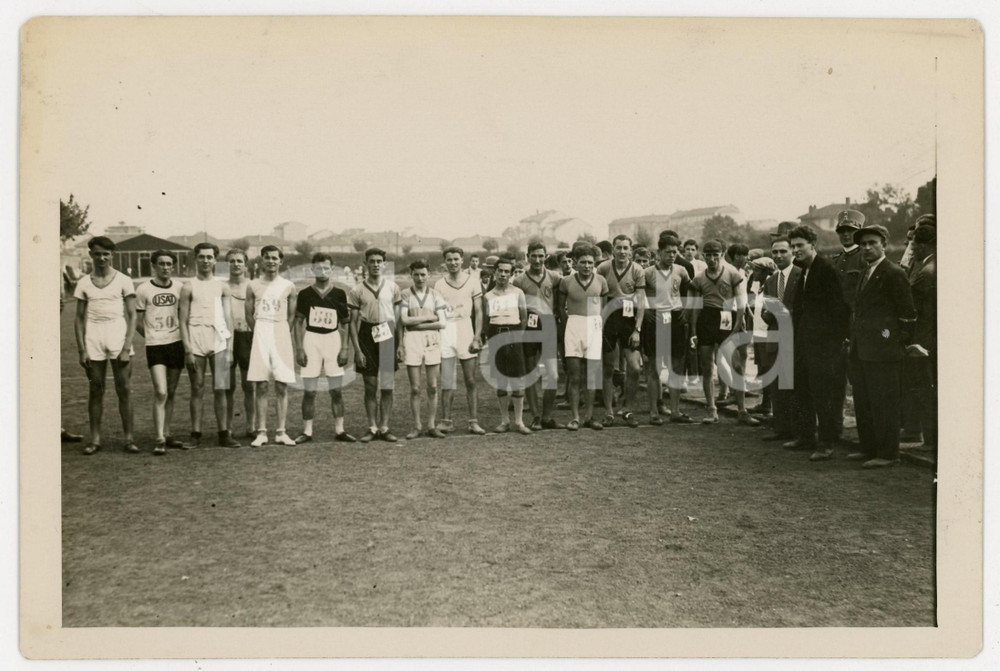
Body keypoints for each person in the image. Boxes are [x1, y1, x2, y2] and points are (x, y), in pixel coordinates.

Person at [846, 224, 917, 468]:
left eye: (872, 243)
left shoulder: (894, 273)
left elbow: (907, 316)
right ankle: (869, 448)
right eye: (863, 244)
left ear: (883, 245)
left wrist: (890, 340)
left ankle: (888, 454)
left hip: (884, 353)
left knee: (884, 403)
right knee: (864, 402)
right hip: (862, 350)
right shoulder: (866, 272)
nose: (866, 248)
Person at [785, 226, 850, 461]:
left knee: (825, 394)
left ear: (813, 244)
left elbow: (839, 310)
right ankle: (806, 436)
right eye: (793, 246)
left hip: (823, 346)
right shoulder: (805, 271)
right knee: (802, 388)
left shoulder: (826, 270)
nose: (795, 250)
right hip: (804, 343)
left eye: (799, 245)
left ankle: (827, 442)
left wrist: (833, 343)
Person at [73, 236, 138, 455]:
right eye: (97, 253)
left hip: (117, 334)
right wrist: (82, 349)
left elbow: (131, 314)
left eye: (106, 254)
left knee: (124, 389)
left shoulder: (123, 280)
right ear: (91, 254)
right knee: (96, 388)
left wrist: (127, 347)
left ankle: (129, 439)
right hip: (93, 337)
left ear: (112, 255)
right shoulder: (83, 282)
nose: (102, 258)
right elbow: (79, 318)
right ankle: (96, 439)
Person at [688, 240, 758, 426]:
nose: (711, 259)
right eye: (708, 255)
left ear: (721, 254)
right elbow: (695, 307)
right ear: (703, 256)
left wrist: (738, 324)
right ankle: (711, 409)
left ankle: (742, 410)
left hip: (727, 317)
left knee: (735, 365)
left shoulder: (732, 273)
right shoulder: (699, 278)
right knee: (707, 365)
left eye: (715, 255)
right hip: (707, 319)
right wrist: (693, 330)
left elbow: (741, 301)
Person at [179, 242, 240, 448]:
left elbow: (228, 318)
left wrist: (230, 349)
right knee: (197, 388)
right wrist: (187, 349)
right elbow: (182, 320)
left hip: (219, 340)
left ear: (215, 260)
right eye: (202, 257)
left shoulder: (222, 286)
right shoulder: (188, 286)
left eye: (209, 257)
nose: (205, 261)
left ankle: (224, 433)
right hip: (196, 339)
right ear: (196, 259)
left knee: (221, 388)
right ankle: (195, 434)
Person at [292, 252, 355, 444]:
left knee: (336, 390)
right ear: (312, 270)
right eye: (318, 268)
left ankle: (340, 429)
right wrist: (300, 349)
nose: (322, 271)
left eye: (326, 268)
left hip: (332, 340)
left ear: (331, 269)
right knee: (309, 391)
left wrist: (344, 348)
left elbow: (345, 323)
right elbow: (298, 322)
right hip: (312, 340)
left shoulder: (339, 293)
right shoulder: (305, 294)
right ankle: (307, 431)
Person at [134, 250, 187, 455]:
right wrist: (152, 336)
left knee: (171, 392)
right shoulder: (143, 289)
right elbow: (138, 321)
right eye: (161, 264)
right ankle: (158, 438)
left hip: (176, 344)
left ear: (173, 266)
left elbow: (185, 315)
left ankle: (167, 432)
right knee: (161, 391)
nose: (165, 267)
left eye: (169, 264)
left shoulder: (180, 288)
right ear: (154, 266)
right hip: (155, 346)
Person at [348, 247, 402, 443]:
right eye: (372, 261)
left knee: (387, 385)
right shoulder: (357, 290)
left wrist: (400, 345)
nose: (376, 264)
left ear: (384, 264)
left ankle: (385, 426)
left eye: (379, 261)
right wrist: (357, 349)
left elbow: (398, 320)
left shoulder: (393, 288)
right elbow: (352, 323)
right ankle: (372, 426)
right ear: (366, 264)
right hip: (367, 335)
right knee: (370, 386)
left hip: (387, 334)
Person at [245, 245, 297, 447]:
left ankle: (281, 432)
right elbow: (249, 314)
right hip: (261, 331)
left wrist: (281, 332)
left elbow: (291, 315)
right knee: (261, 384)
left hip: (281, 331)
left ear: (280, 261)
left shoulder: (289, 285)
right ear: (262, 260)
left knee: (282, 384)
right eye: (267, 258)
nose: (271, 261)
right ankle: (262, 432)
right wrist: (260, 331)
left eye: (275, 258)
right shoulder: (253, 285)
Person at [642, 235, 695, 424]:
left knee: (676, 367)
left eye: (675, 252)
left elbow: (691, 290)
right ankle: (654, 411)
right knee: (654, 369)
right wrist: (647, 310)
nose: (672, 255)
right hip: (656, 319)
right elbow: (638, 295)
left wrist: (687, 311)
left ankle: (675, 411)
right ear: (659, 252)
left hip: (675, 318)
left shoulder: (681, 271)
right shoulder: (647, 272)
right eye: (668, 252)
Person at [434, 247, 487, 435]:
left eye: (456, 259)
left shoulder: (473, 282)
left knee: (470, 380)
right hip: (446, 330)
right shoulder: (439, 284)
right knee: (447, 380)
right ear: (445, 262)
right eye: (449, 260)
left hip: (466, 329)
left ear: (462, 260)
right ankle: (446, 421)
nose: (453, 263)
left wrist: (476, 337)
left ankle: (473, 421)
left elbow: (479, 311)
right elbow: (437, 313)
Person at [555, 244, 608, 431]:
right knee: (575, 376)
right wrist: (566, 323)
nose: (586, 266)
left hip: (593, 327)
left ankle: (589, 417)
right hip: (574, 326)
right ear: (575, 263)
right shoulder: (566, 281)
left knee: (592, 377)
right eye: (583, 262)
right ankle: (575, 417)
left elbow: (605, 306)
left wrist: (599, 325)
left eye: (590, 263)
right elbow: (560, 307)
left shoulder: (601, 281)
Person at [596, 234, 646, 427]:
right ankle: (608, 412)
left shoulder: (637, 270)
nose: (622, 251)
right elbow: (598, 299)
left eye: (626, 248)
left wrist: (637, 329)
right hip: (609, 318)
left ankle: (627, 409)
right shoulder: (603, 268)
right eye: (619, 248)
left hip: (628, 319)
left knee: (634, 367)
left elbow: (641, 301)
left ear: (630, 251)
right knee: (608, 367)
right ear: (613, 249)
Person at [512, 241, 562, 430]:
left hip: (548, 327)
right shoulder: (519, 281)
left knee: (553, 375)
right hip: (529, 328)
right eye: (534, 255)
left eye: (541, 256)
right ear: (528, 257)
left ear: (546, 257)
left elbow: (559, 301)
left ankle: (547, 415)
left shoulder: (555, 277)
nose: (538, 259)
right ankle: (535, 416)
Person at [398, 259, 448, 439]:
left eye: (423, 274)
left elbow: (442, 323)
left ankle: (431, 425)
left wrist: (415, 324)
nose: (420, 278)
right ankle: (417, 425)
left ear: (429, 275)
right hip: (411, 341)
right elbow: (404, 321)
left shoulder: (435, 295)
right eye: (416, 274)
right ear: (410, 275)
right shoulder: (405, 294)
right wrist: (429, 319)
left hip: (432, 341)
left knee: (433, 386)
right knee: (415, 388)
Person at [759, 237, 801, 442]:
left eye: (783, 251)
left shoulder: (800, 275)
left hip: (796, 336)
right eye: (775, 252)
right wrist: (770, 314)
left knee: (795, 385)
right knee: (777, 385)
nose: (778, 256)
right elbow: (764, 312)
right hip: (775, 335)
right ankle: (781, 428)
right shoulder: (771, 280)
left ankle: (798, 430)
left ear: (792, 252)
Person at [483, 255, 532, 434]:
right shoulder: (488, 296)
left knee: (518, 380)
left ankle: (519, 422)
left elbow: (524, 317)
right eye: (500, 271)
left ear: (511, 274)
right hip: (496, 335)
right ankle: (504, 421)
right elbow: (487, 321)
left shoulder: (517, 293)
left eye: (506, 272)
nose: (503, 274)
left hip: (514, 335)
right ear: (494, 273)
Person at [903, 224, 937, 448]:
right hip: (929, 335)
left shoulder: (927, 272)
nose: (911, 247)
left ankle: (931, 440)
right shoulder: (928, 266)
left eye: (915, 243)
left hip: (924, 337)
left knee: (925, 388)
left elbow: (912, 304)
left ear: (925, 245)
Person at [225, 248, 255, 438]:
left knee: (249, 385)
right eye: (231, 261)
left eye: (239, 261)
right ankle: (226, 427)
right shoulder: (220, 287)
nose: (235, 264)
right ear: (226, 264)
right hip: (225, 338)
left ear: (245, 265)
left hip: (247, 336)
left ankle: (251, 426)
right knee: (226, 386)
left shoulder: (253, 286)